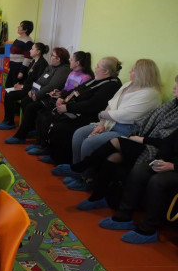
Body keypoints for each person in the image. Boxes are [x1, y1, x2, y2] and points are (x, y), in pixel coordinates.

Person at [66, 74, 178, 211]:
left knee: (115, 141)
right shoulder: (171, 105)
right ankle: (98, 196)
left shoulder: (152, 95)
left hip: (155, 149)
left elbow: (167, 142)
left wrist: (142, 139)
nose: (174, 87)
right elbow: (144, 121)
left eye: (177, 85)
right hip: (141, 139)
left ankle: (86, 165)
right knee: (112, 157)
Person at [56, 59, 162, 190]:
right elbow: (111, 104)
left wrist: (103, 116)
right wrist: (102, 123)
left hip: (127, 130)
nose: (130, 71)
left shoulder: (151, 94)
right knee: (79, 134)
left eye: (133, 70)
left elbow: (126, 115)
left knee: (89, 142)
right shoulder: (128, 85)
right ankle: (78, 170)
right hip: (110, 122)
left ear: (143, 73)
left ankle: (88, 179)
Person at [33, 56, 123, 164]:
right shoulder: (97, 79)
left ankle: (58, 158)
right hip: (77, 109)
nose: (95, 68)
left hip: (90, 115)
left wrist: (67, 107)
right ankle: (46, 148)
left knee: (59, 126)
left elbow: (92, 105)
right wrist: (62, 96)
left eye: (98, 66)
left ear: (106, 71)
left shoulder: (112, 85)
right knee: (44, 114)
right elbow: (77, 89)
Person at [98, 128, 178, 244]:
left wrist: (173, 166)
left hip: (175, 168)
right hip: (169, 164)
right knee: (139, 171)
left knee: (158, 181)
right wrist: (162, 159)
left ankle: (147, 230)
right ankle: (123, 217)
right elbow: (167, 142)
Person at [25, 50, 94, 157]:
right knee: (41, 114)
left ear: (78, 63)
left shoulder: (86, 78)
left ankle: (45, 147)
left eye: (71, 59)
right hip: (61, 100)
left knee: (46, 117)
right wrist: (58, 92)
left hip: (69, 105)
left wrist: (62, 97)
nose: (69, 61)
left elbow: (77, 95)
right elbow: (66, 89)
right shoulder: (72, 72)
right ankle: (40, 143)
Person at [5, 47, 71, 144]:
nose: (51, 57)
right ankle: (30, 129)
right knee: (25, 101)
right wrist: (32, 91)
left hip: (49, 97)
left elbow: (52, 86)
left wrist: (37, 94)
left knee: (30, 106)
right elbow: (39, 80)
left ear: (59, 59)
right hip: (39, 93)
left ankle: (20, 136)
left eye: (53, 55)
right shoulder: (51, 66)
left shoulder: (63, 70)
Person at [0, 42, 49, 130]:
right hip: (26, 87)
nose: (30, 50)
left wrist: (23, 87)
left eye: (32, 49)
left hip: (32, 90)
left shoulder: (42, 64)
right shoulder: (33, 62)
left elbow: (38, 82)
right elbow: (28, 78)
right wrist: (20, 84)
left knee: (10, 95)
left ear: (38, 51)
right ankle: (7, 119)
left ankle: (10, 122)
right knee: (8, 91)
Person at [4, 21, 34, 88]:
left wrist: (21, 71)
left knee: (14, 89)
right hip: (13, 67)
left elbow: (28, 58)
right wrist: (10, 66)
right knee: (8, 86)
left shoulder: (28, 41)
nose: (18, 27)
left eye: (20, 26)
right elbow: (13, 54)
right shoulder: (18, 38)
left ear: (25, 30)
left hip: (19, 67)